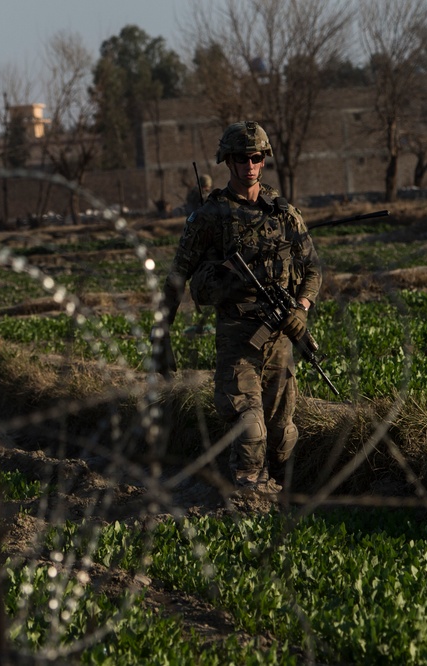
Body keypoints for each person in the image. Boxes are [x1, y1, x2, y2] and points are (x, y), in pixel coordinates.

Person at [162, 121, 321, 494]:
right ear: (228, 162)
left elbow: (312, 267)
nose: (249, 165)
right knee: (251, 431)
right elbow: (176, 277)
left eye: (256, 157)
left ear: (263, 160)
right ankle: (247, 501)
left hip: (280, 340)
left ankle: (279, 502)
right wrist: (160, 333)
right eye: (241, 158)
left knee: (282, 438)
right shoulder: (209, 217)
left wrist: (301, 306)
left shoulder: (283, 213)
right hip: (237, 343)